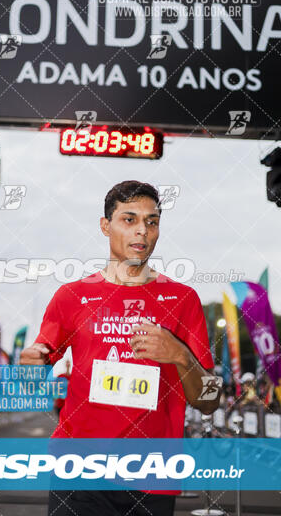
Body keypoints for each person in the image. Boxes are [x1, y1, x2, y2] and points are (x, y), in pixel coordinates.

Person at [20, 181, 219, 516]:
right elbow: (31, 380)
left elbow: (210, 400)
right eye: (129, 219)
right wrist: (29, 367)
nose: (142, 231)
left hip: (152, 474)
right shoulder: (71, 297)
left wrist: (181, 356)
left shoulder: (183, 299)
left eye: (151, 222)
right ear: (105, 225)